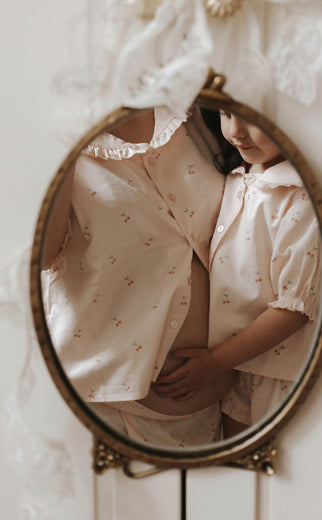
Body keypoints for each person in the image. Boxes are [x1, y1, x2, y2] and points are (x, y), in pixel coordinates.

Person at [41, 106, 238, 447]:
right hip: (104, 407)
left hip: (214, 408)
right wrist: (63, 148)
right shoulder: (63, 142)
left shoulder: (191, 113)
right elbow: (41, 255)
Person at [155, 110, 322, 437]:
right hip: (238, 371)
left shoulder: (299, 196)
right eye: (226, 114)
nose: (235, 131)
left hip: (281, 373)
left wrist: (214, 362)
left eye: (251, 118)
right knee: (234, 461)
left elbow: (294, 308)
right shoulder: (236, 176)